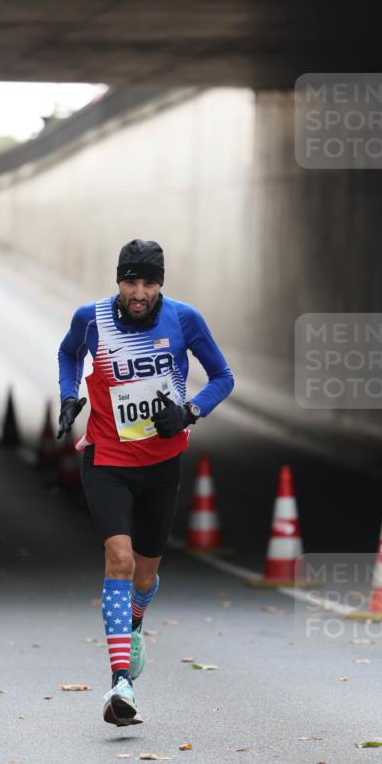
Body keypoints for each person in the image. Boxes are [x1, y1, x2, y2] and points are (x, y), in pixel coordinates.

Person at [56, 239, 234, 726]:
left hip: (161, 464)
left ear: (161, 285)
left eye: (149, 283)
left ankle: (133, 625)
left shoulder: (184, 319)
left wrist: (190, 411)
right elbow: (68, 354)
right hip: (106, 458)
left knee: (146, 576)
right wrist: (69, 397)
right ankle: (120, 683)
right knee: (120, 558)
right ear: (118, 280)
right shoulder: (90, 319)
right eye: (131, 282)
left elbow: (222, 377)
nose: (140, 292)